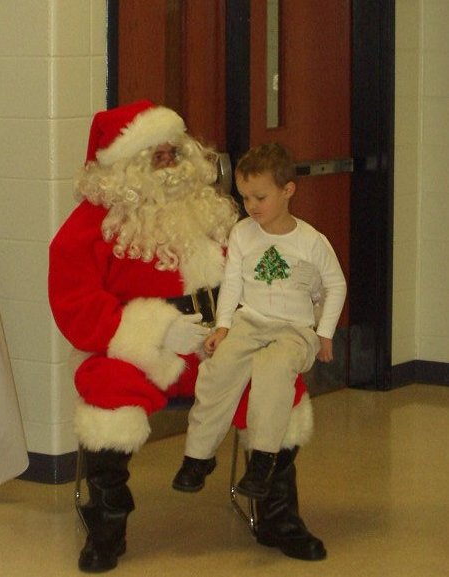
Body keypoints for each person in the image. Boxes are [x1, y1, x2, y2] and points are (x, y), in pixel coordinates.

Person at [48, 102, 315, 571]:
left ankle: (277, 513)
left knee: (278, 382)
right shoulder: (89, 227)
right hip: (138, 353)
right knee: (107, 390)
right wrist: (158, 331)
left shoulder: (213, 212)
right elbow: (76, 306)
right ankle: (108, 520)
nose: (171, 161)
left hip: (220, 342)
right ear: (123, 164)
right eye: (157, 153)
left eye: (175, 150)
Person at [173, 143, 346, 516]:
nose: (251, 205)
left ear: (288, 191)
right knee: (218, 369)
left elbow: (336, 285)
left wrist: (325, 334)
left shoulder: (310, 241)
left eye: (260, 197)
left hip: (295, 329)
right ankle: (198, 455)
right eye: (245, 197)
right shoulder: (242, 234)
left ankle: (263, 460)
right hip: (250, 322)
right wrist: (223, 327)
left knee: (272, 369)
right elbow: (232, 284)